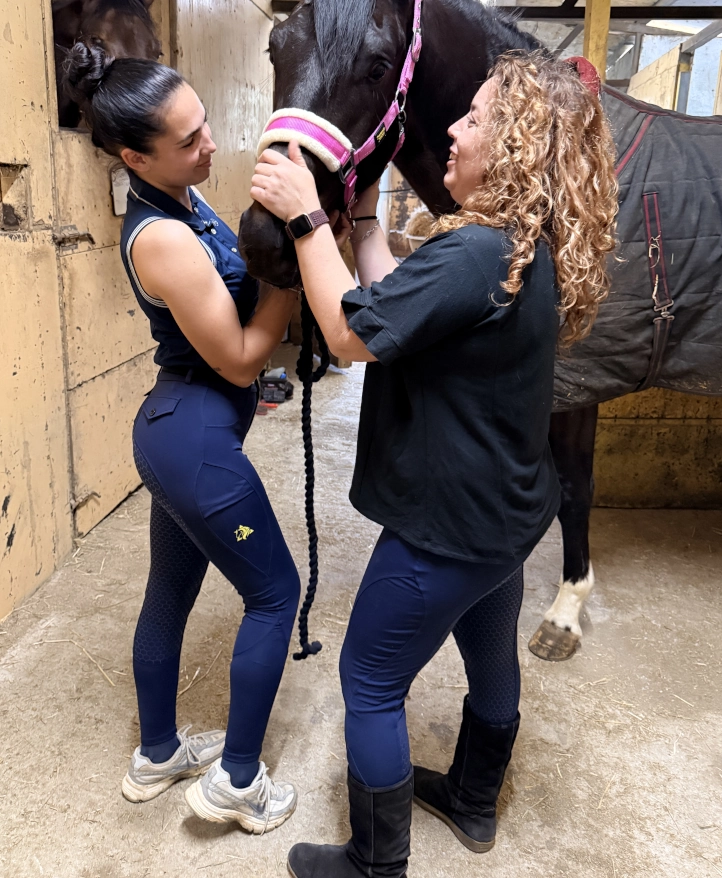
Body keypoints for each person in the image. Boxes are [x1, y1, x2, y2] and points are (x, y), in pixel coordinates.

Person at [250, 51, 618, 875]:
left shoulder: (476, 252)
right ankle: (474, 801)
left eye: (478, 118)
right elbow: (397, 311)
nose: (454, 129)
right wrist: (367, 222)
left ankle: (375, 866)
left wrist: (310, 221)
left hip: (448, 528)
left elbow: (349, 337)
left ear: (519, 144)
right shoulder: (520, 248)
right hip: (508, 520)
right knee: (490, 659)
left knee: (370, 681)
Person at [63, 43, 301, 833]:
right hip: (194, 437)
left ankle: (156, 753)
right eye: (191, 139)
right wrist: (295, 274)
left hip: (181, 429)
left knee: (169, 593)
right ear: (136, 156)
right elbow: (235, 358)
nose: (209, 145)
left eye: (205, 125)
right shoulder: (159, 236)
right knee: (274, 595)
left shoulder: (188, 204)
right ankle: (238, 782)